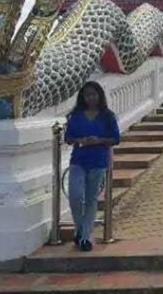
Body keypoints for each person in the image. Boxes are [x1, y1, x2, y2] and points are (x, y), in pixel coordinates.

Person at [64, 81, 121, 252]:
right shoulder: (76, 116)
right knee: (75, 195)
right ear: (83, 97)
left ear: (99, 96)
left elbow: (115, 138)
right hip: (78, 160)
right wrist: (80, 140)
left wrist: (99, 140)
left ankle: (85, 236)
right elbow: (68, 137)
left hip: (98, 160)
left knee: (91, 199)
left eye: (94, 94)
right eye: (87, 95)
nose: (91, 98)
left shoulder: (107, 116)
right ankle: (80, 228)